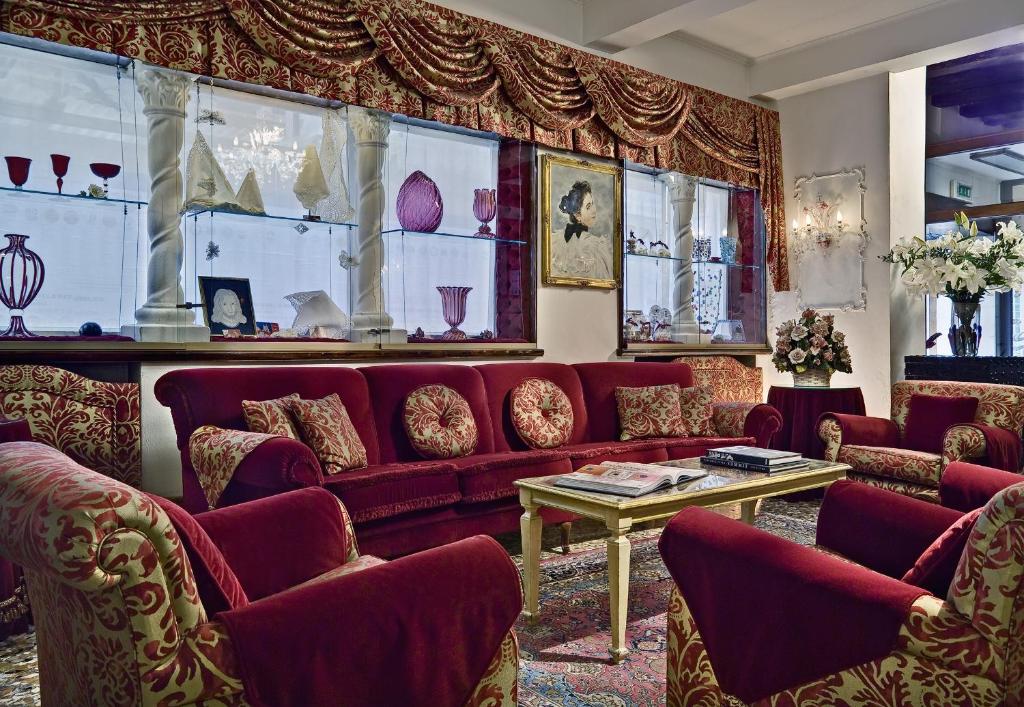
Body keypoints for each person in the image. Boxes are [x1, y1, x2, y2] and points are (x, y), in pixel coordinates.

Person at [552, 180, 613, 280]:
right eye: (588, 207)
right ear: (577, 215)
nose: (594, 210)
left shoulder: (597, 246)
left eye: (593, 204)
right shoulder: (556, 242)